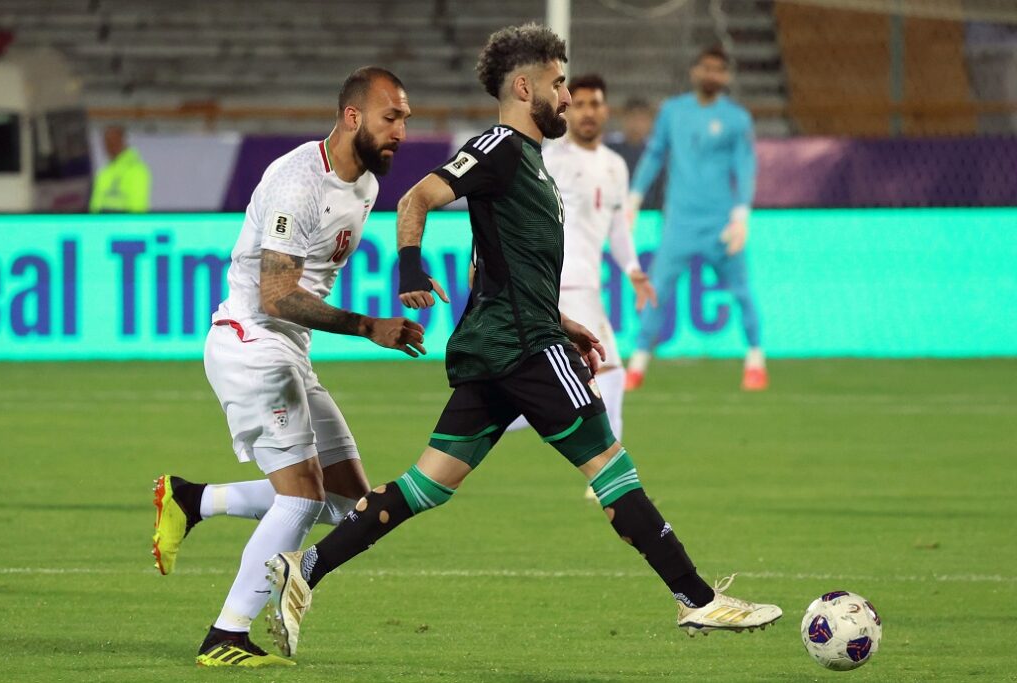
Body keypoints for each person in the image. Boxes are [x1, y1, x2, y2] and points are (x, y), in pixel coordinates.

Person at [262, 24, 781, 660]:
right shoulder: (500, 147)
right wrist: (410, 269)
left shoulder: (529, 163)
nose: (566, 96)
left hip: (509, 342)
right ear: (525, 87)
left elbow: (497, 267)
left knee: (427, 485)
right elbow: (417, 199)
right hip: (523, 347)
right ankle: (697, 598)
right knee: (612, 469)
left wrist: (563, 321)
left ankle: (304, 568)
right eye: (559, 84)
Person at [152, 66, 425, 668]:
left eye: (405, 119)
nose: (401, 132)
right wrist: (367, 326)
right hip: (252, 341)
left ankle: (193, 500)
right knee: (300, 498)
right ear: (352, 116)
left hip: (289, 349)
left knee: (349, 504)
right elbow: (276, 296)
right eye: (391, 118)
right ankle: (226, 635)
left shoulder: (365, 184)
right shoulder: (297, 182)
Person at [505, 73, 657, 502]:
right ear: (569, 111)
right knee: (610, 371)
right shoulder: (549, 160)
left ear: (606, 111)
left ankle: (498, 410)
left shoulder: (615, 166)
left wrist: (633, 269)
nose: (589, 112)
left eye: (596, 104)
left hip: (586, 284)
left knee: (565, 382)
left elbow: (617, 227)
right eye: (582, 104)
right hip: (559, 283)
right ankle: (610, 477)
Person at [625, 46, 768, 392]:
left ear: (726, 76)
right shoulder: (673, 112)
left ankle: (755, 361)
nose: (711, 74)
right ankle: (638, 364)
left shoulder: (736, 118)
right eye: (706, 67)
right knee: (657, 290)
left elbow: (744, 166)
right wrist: (633, 198)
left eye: (718, 69)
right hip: (680, 222)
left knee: (741, 290)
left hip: (721, 222)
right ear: (694, 71)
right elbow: (654, 154)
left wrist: (741, 215)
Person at [606, 97, 664, 210]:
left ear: (650, 122)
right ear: (623, 119)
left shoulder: (656, 154)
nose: (636, 124)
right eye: (632, 117)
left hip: (648, 213)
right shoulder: (610, 148)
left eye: (642, 119)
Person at [89, 126, 152, 213]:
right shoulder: (105, 172)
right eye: (107, 144)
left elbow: (137, 206)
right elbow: (95, 204)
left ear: (122, 142)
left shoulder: (137, 170)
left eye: (113, 143)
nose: (109, 148)